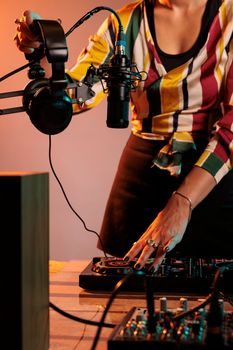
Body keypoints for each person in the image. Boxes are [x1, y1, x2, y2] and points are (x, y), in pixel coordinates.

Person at [15, 0, 233, 273]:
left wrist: (183, 201)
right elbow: (77, 94)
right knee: (124, 297)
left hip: (211, 180)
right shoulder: (125, 22)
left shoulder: (230, 18)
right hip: (142, 179)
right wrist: (45, 52)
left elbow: (231, 129)